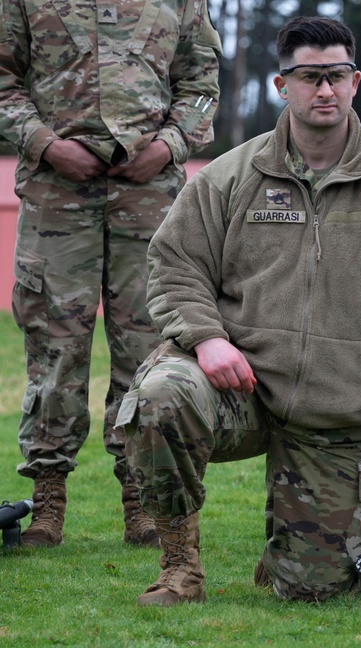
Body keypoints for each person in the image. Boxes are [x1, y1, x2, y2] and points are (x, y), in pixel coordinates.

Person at [115, 16, 361, 606]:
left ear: (356, 82)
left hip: (335, 412)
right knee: (159, 397)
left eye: (335, 77)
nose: (323, 90)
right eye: (309, 77)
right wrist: (205, 338)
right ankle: (179, 566)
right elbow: (173, 265)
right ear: (282, 86)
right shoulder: (229, 177)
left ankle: (291, 552)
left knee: (314, 592)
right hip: (238, 388)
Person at [0, 0, 222, 548]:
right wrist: (46, 144)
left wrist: (168, 145)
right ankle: (48, 499)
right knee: (53, 351)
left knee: (150, 349)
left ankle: (142, 500)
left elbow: (201, 81)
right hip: (57, 195)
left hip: (149, 196)